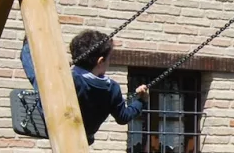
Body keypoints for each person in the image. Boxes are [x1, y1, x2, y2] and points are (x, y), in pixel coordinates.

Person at [20, 29, 149, 145]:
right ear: (100, 61)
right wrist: (141, 101)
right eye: (109, 59)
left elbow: (36, 76)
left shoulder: (68, 80)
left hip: (58, 127)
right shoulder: (112, 89)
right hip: (85, 136)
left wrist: (27, 47)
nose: (110, 63)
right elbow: (123, 117)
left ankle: (26, 49)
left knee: (40, 80)